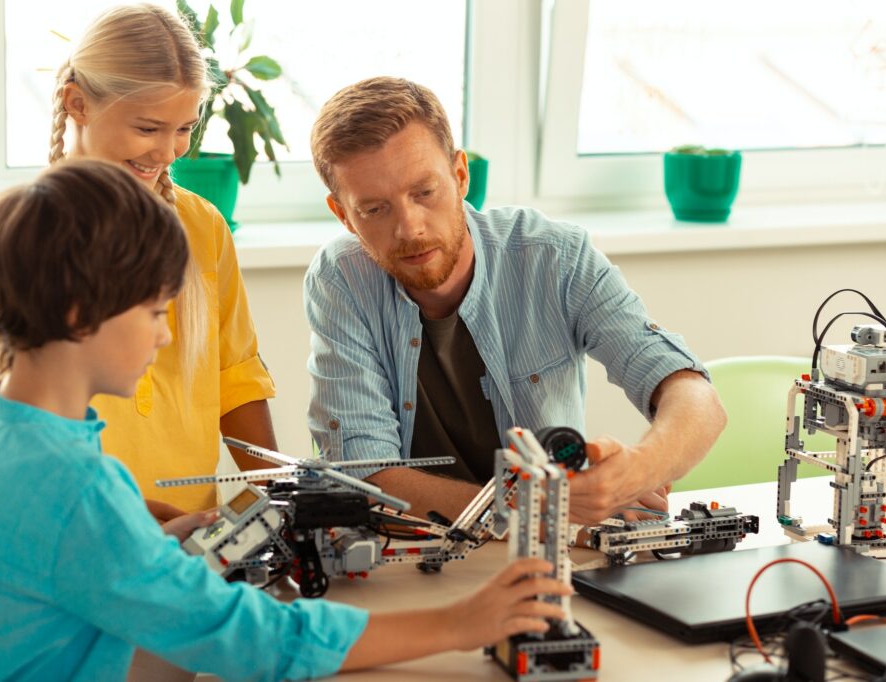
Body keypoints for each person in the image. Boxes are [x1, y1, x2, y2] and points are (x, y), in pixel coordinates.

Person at [0, 159, 570, 681]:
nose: (166, 338)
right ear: (81, 314)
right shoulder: (73, 484)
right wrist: (461, 621)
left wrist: (139, 544)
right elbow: (252, 640)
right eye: (158, 312)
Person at [305, 77, 727, 527]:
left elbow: (696, 397)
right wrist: (539, 506)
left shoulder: (555, 256)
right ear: (343, 215)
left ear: (460, 175)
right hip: (417, 550)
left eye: (424, 193)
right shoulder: (340, 279)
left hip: (551, 551)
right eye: (375, 209)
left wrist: (638, 469)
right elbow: (368, 480)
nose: (410, 228)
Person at [0, 3, 272, 517]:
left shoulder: (204, 227)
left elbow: (236, 378)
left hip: (189, 538)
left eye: (183, 129)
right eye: (148, 128)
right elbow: (0, 421)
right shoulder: (16, 245)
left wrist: (279, 495)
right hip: (76, 530)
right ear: (77, 103)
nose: (169, 151)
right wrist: (124, 514)